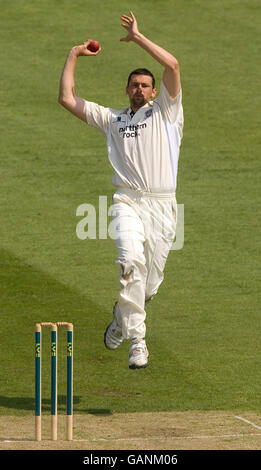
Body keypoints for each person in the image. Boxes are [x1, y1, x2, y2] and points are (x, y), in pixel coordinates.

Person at [58, 12, 184, 369]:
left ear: (155, 91)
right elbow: (67, 98)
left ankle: (120, 319)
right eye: (134, 85)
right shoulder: (113, 119)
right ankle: (138, 343)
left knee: (149, 286)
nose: (140, 89)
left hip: (163, 205)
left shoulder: (167, 113)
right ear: (126, 89)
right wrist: (73, 54)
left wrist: (138, 37)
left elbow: (173, 64)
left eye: (146, 85)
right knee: (130, 264)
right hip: (127, 201)